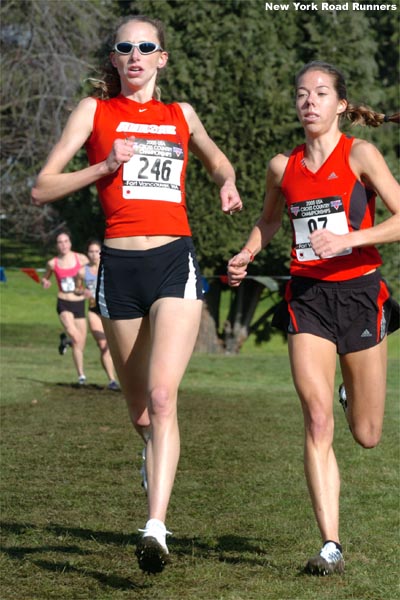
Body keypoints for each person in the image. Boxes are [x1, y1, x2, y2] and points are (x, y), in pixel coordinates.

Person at [31, 15, 242, 574]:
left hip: (175, 259)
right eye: (124, 47)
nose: (135, 55)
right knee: (143, 415)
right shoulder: (93, 112)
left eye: (146, 47)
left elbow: (218, 158)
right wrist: (103, 165)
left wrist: (224, 180)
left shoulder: (181, 115)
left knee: (165, 397)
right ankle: (150, 459)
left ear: (161, 59)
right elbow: (42, 186)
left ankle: (155, 528)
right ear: (115, 59)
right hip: (120, 268)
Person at [227, 61, 400, 576]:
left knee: (367, 433)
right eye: (302, 94)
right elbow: (271, 217)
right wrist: (249, 250)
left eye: (321, 94)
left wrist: (348, 238)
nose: (309, 102)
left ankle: (352, 394)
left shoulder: (361, 154)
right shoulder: (283, 166)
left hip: (361, 295)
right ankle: (331, 544)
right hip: (308, 300)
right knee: (317, 419)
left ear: (341, 104)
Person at [41, 229, 89, 384]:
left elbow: (92, 275)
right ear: (57, 245)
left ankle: (65, 342)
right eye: (60, 242)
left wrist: (88, 288)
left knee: (80, 342)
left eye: (66, 241)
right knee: (75, 335)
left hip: (79, 303)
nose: (63, 245)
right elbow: (45, 277)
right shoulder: (52, 263)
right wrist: (45, 282)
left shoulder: (81, 259)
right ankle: (81, 375)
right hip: (63, 302)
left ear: (70, 242)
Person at [75, 239, 119, 391]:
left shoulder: (109, 268)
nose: (94, 255)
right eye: (91, 252)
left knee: (115, 345)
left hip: (110, 310)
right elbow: (77, 289)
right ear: (87, 253)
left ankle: (126, 379)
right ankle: (112, 380)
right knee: (103, 344)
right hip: (94, 311)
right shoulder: (82, 271)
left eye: (96, 251)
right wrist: (83, 292)